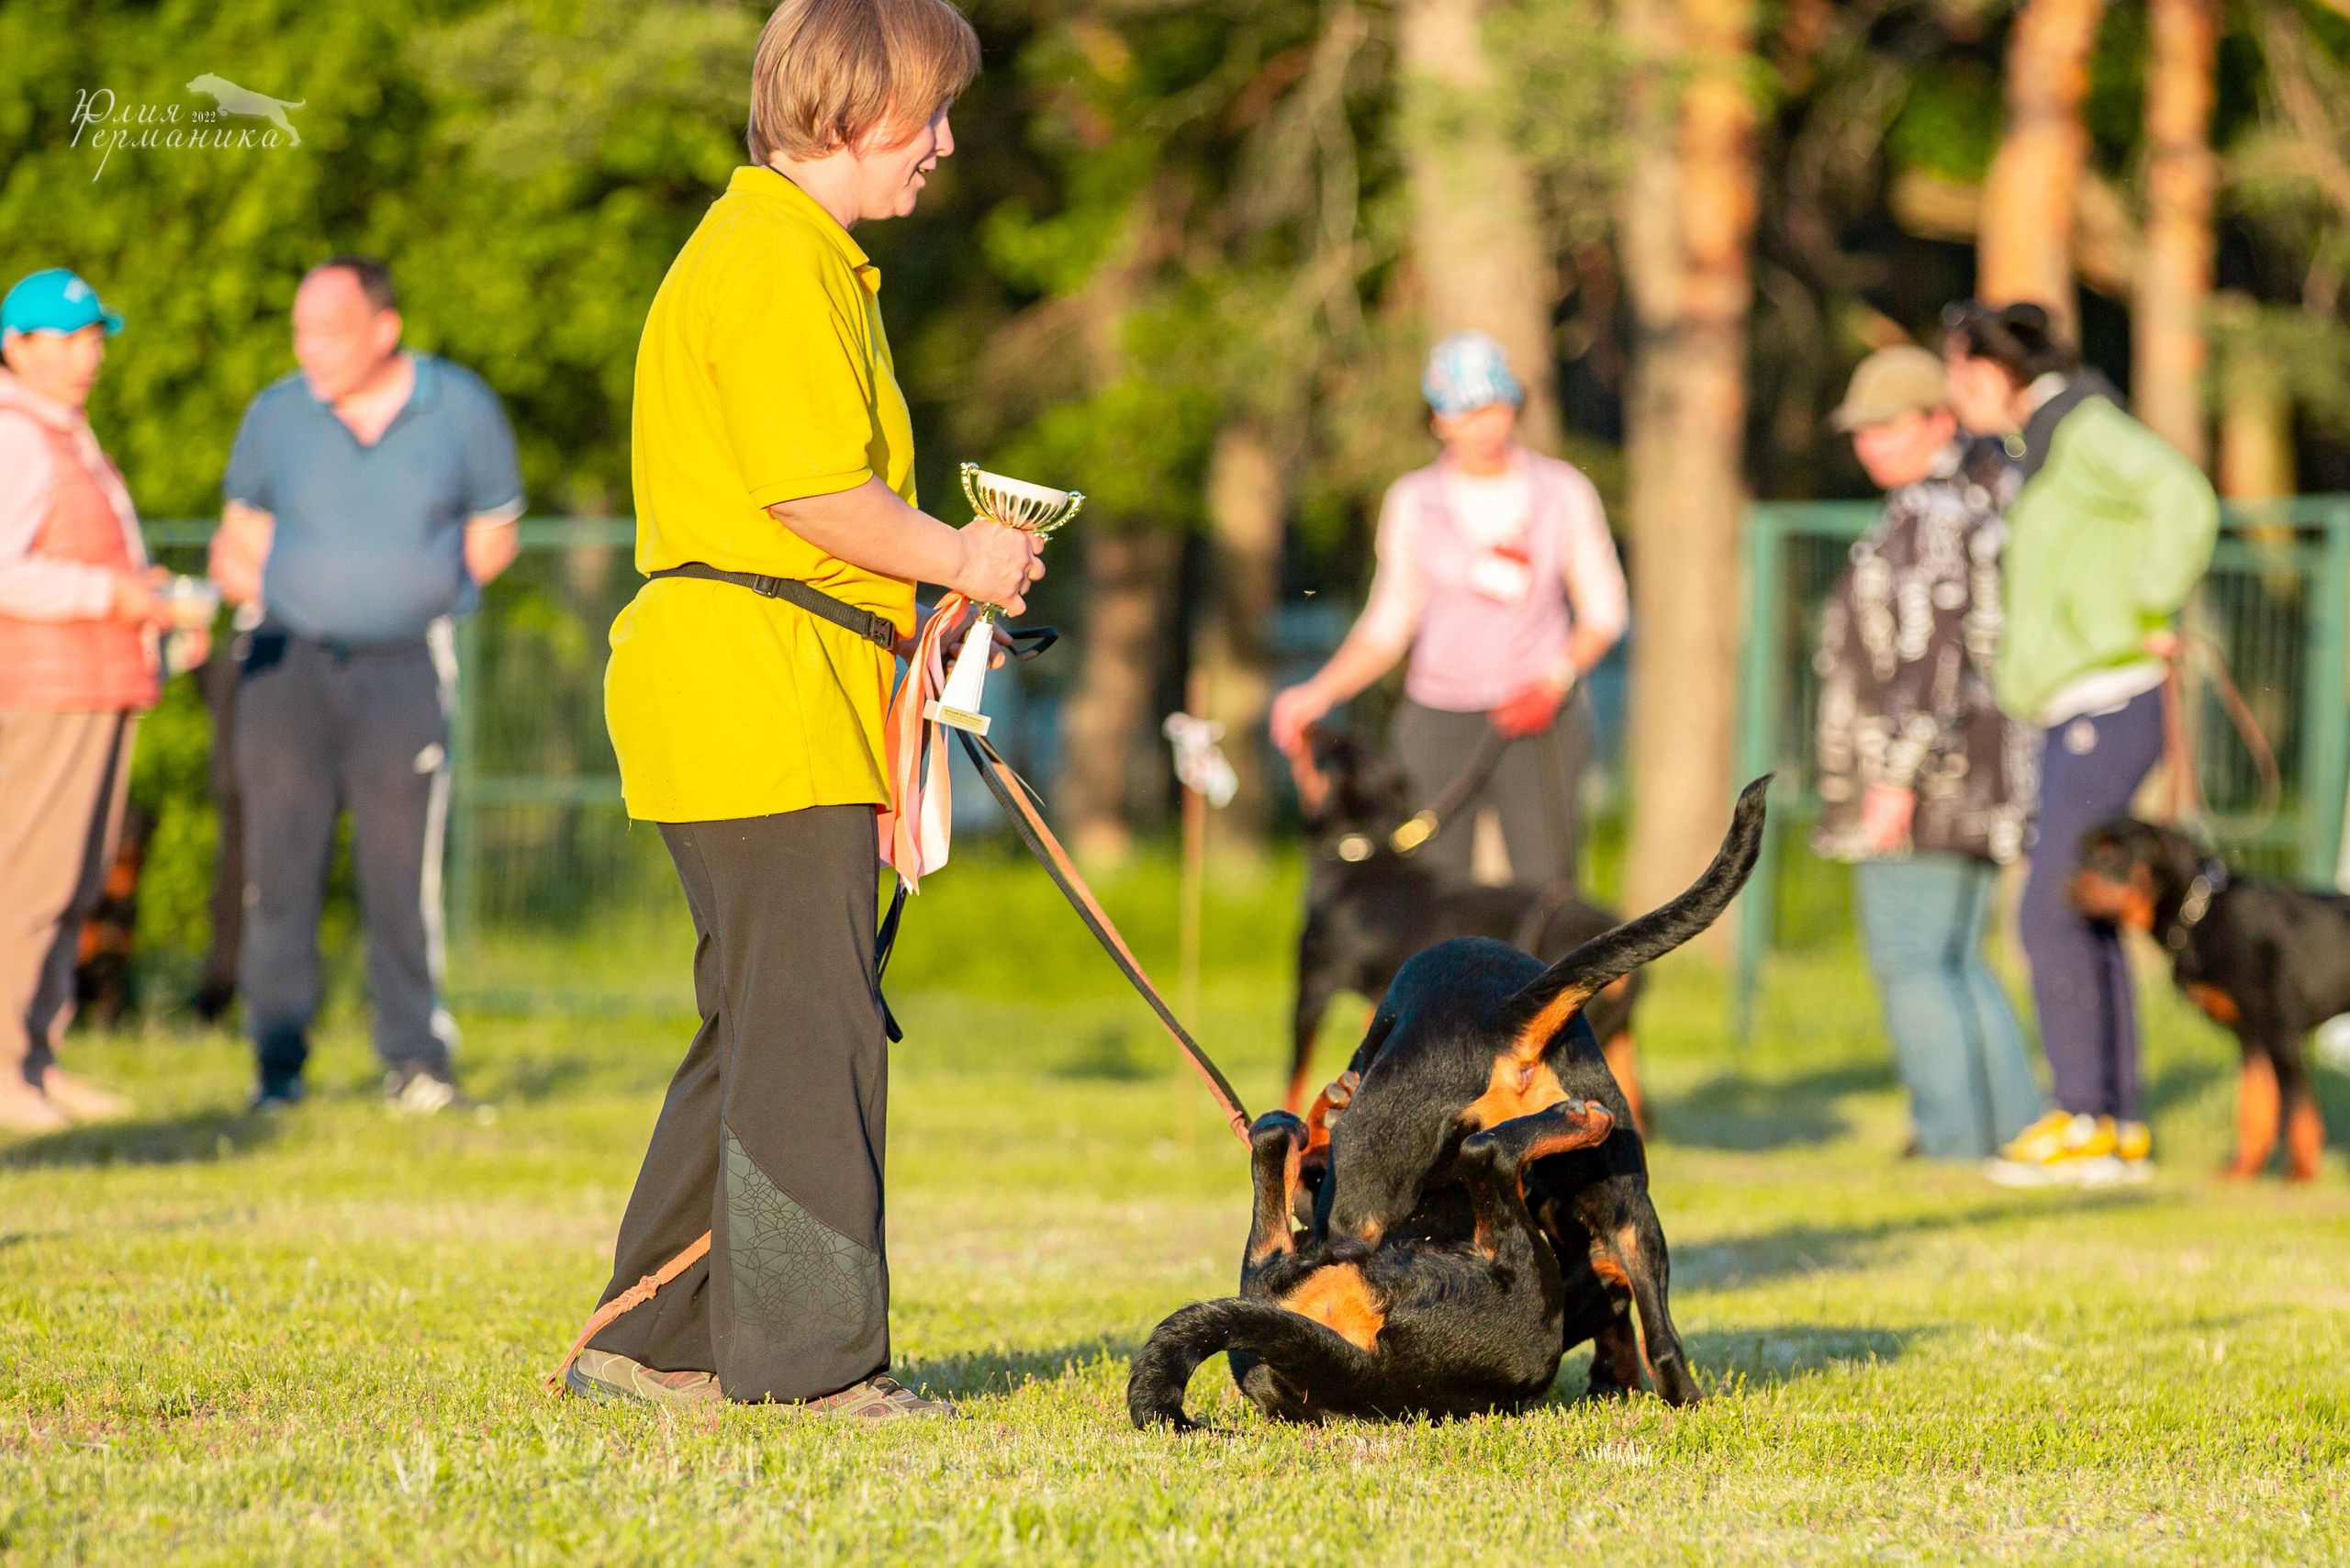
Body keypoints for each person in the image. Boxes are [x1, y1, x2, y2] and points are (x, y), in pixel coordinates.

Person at [567, 0, 1036, 1418]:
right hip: (750, 693)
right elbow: (811, 496)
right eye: (932, 113)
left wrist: (928, 619)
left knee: (761, 1019)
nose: (947, 145)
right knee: (810, 1025)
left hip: (762, 686)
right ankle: (814, 1372)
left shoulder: (797, 258)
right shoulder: (773, 260)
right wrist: (963, 556)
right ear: (851, 111)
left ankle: (647, 1344)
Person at [207, 256, 526, 1114]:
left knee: (400, 871)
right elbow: (238, 537)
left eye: (331, 332)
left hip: (405, 667)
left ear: (384, 330)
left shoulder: (459, 407)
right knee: (278, 869)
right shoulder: (277, 413)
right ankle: (276, 1065)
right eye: (301, 331)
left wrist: (419, 593)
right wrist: (282, 592)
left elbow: (495, 533)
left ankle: (417, 1062)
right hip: (286, 664)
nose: (310, 350)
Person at [1942, 301, 2218, 1186]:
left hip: (2113, 692)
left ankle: (2085, 1119)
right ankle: (2118, 1126)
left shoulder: (2087, 425)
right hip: (2076, 704)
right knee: (2083, 907)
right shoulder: (2046, 444)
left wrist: (2147, 603)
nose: (1954, 392)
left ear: (1990, 372)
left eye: (1957, 372)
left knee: (2047, 906)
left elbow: (2183, 495)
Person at [1269, 332, 1628, 894]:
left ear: (1514, 405)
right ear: (1437, 420)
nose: (1482, 424)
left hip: (1537, 720)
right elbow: (1388, 624)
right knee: (1429, 894)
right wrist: (1318, 694)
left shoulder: (1564, 493)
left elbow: (1604, 611)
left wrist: (1554, 682)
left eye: (1493, 405)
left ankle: (1547, 987)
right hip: (1437, 717)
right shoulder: (1412, 502)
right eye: (1463, 410)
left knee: (1547, 894)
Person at [1812, 346, 2042, 1161]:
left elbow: (1931, 663)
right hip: (1983, 779)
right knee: (1954, 960)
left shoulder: (1931, 518)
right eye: (1862, 430)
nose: (1871, 444)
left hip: (1930, 781)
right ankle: (2012, 1134)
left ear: (1940, 420)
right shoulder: (1977, 502)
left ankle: (1949, 1141)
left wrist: (1894, 779)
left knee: (1913, 961)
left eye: (1890, 425)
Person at [0, 268, 179, 1135]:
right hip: (45, 689)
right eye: (70, 338)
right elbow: (6, 571)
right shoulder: (16, 438)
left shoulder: (62, 432)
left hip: (96, 686)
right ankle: (5, 1068)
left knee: (74, 881)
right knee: (29, 882)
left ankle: (38, 1056)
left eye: (95, 337)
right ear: (17, 346)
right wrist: (116, 598)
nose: (90, 355)